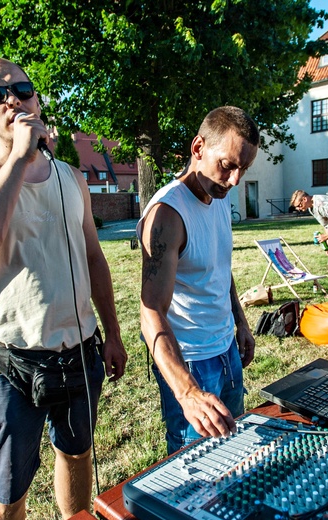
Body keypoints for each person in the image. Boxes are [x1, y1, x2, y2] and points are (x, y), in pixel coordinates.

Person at [0, 58, 128, 520]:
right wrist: (20, 159)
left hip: (78, 349)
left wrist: (112, 332)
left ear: (37, 99)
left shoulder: (70, 176)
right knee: (10, 488)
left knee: (78, 454)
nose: (12, 100)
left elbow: (92, 256)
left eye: (21, 89)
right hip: (8, 361)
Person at [138, 106, 258, 455]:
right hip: (190, 361)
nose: (235, 180)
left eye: (243, 169)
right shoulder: (167, 215)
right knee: (193, 465)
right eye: (228, 165)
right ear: (198, 148)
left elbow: (220, 265)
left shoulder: (218, 193)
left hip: (226, 349)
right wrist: (187, 391)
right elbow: (151, 313)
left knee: (231, 451)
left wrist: (241, 322)